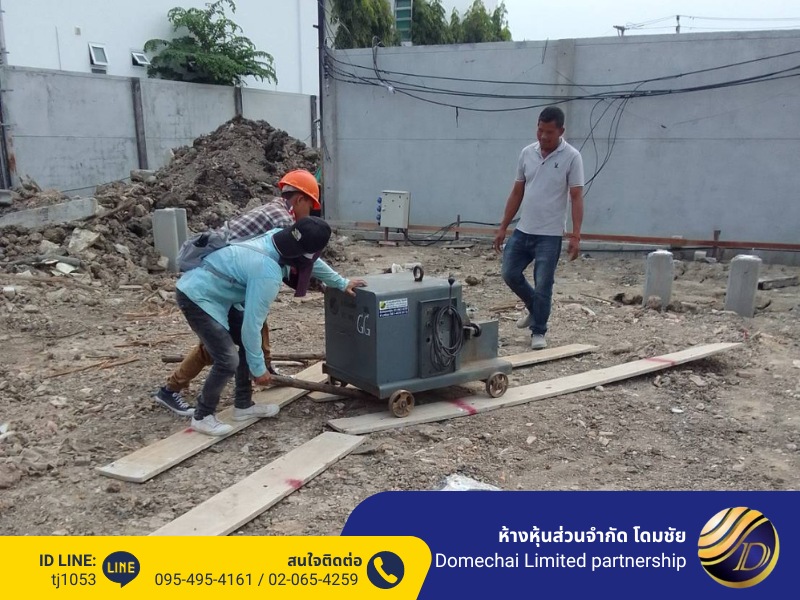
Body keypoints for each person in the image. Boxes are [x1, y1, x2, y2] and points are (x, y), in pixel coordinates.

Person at [153, 169, 365, 416]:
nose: (310, 214)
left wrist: (338, 282)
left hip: (230, 280)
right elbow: (296, 265)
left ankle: (247, 392)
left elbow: (304, 262)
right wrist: (328, 287)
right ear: (300, 200)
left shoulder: (277, 217)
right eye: (311, 207)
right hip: (215, 286)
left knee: (241, 339)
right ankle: (180, 394)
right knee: (225, 348)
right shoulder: (282, 224)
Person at [175, 216, 337, 436]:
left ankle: (243, 405)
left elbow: (313, 261)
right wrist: (259, 370)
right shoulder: (267, 272)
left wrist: (341, 283)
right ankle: (202, 416)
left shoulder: (278, 237)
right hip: (196, 296)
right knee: (227, 359)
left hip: (220, 292)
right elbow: (252, 326)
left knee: (244, 346)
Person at [492, 106, 584, 350]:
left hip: (550, 235)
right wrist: (503, 227)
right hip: (524, 230)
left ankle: (539, 330)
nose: (543, 136)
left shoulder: (572, 157)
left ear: (561, 131)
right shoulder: (527, 153)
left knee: (544, 283)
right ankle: (536, 308)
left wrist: (576, 235)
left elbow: (576, 196)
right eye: (540, 130)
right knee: (509, 273)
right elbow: (517, 192)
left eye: (549, 132)